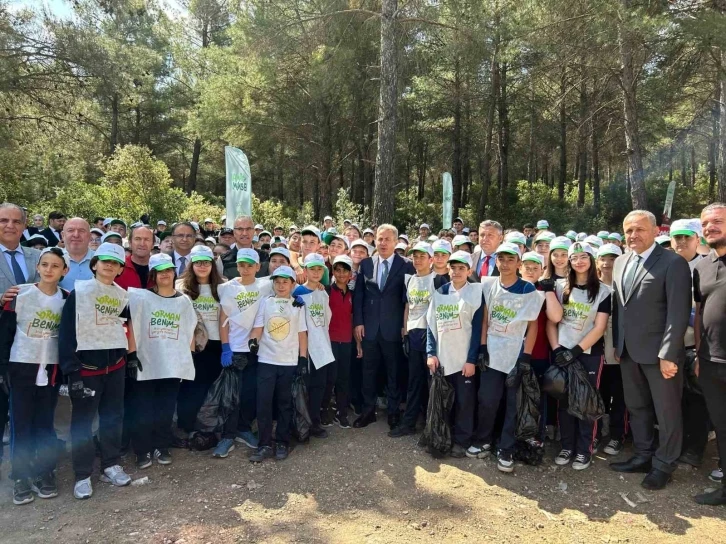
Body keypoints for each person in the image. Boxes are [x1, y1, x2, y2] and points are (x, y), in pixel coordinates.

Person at [610, 210, 691, 490]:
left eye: (640, 230)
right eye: (628, 230)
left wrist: (668, 354)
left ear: (656, 231)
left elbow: (677, 313)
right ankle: (643, 455)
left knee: (667, 412)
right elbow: (620, 308)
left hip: (660, 356)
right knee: (637, 407)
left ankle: (664, 464)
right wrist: (618, 344)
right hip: (629, 352)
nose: (633, 235)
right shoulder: (620, 262)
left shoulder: (673, 263)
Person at [58, 242, 138, 499]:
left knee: (113, 417)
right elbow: (66, 333)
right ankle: (82, 474)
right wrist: (71, 372)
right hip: (87, 369)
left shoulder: (122, 295)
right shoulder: (78, 293)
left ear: (119, 269)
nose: (109, 265)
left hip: (115, 368)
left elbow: (125, 327)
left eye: (114, 263)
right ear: (95, 264)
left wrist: (131, 357)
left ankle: (110, 464)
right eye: (104, 261)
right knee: (82, 423)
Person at [0, 247, 69, 505]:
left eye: (55, 265)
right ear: (38, 267)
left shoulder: (66, 298)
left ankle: (44, 471)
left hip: (50, 369)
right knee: (21, 424)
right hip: (21, 367)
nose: (49, 270)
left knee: (44, 423)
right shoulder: (20, 295)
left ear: (65, 271)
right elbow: (5, 333)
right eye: (45, 264)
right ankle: (21, 476)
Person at [467, 243, 543, 472]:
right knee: (487, 400)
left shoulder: (528, 289)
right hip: (491, 352)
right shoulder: (489, 285)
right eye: (502, 259)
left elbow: (533, 327)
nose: (506, 263)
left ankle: (506, 448)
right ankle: (484, 440)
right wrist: (481, 347)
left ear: (519, 263)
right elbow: (485, 319)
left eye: (511, 259)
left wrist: (525, 358)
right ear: (496, 261)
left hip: (515, 354)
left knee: (512, 404)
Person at [127, 253, 196, 469]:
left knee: (165, 408)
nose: (165, 274)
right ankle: (142, 449)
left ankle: (161, 445)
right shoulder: (141, 297)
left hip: (172, 363)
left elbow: (189, 330)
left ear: (174, 272)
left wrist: (188, 358)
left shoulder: (183, 300)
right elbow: (131, 325)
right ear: (153, 274)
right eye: (160, 271)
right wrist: (131, 355)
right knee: (143, 407)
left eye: (168, 270)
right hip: (146, 361)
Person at [547, 242, 611, 471]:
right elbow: (552, 321)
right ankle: (566, 445)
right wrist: (556, 349)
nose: (579, 261)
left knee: (586, 402)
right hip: (562, 350)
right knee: (564, 401)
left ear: (591, 261)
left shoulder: (603, 291)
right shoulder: (560, 286)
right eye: (575, 258)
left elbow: (599, 327)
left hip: (588, 353)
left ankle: (584, 450)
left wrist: (576, 351)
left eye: (584, 257)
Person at [353, 224, 415, 430]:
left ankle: (393, 411)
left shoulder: (406, 265)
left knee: (393, 373)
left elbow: (408, 299)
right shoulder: (366, 264)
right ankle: (368, 411)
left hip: (393, 328)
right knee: (367, 372)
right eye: (379, 239)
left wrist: (405, 326)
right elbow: (359, 296)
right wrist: (359, 322)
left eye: (387, 239)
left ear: (396, 242)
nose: (383, 243)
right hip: (369, 328)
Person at [215, 248, 272, 457]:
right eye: (242, 265)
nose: (246, 269)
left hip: (256, 349)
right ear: (237, 266)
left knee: (249, 393)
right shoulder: (228, 288)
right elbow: (223, 319)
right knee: (232, 396)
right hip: (235, 348)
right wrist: (225, 347)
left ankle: (244, 429)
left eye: (250, 265)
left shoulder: (265, 286)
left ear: (258, 267)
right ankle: (228, 436)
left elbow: (290, 281)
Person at [426, 251, 484, 457]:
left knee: (464, 403)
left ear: (469, 270)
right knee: (442, 402)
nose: (457, 272)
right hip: (442, 359)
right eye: (453, 267)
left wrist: (471, 360)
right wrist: (431, 353)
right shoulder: (440, 292)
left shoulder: (476, 293)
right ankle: (442, 437)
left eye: (461, 268)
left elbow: (478, 331)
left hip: (463, 361)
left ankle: (461, 440)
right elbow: (431, 325)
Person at [248, 265, 308, 462]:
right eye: (277, 281)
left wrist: (302, 358)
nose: (281, 285)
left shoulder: (298, 305)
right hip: (266, 359)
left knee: (284, 403)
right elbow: (258, 327)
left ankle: (282, 441)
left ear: (292, 284)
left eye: (285, 282)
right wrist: (252, 344)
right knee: (263, 403)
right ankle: (264, 443)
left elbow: (302, 334)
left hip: (288, 361)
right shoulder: (265, 303)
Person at [0, 203, 42, 477]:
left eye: (16, 221)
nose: (10, 226)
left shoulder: (37, 255)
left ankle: (32, 464)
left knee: (30, 406)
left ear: (25, 226)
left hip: (33, 342)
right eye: (4, 220)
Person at [692, 203, 726, 505]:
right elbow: (700, 310)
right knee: (723, 426)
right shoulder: (702, 266)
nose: (709, 227)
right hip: (711, 362)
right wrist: (699, 354)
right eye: (705, 223)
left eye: (717, 221)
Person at [667, 218, 708, 468]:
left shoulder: (705, 267)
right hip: (669, 346)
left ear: (697, 239)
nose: (681, 242)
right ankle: (677, 444)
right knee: (674, 399)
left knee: (697, 399)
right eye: (677, 237)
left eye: (687, 237)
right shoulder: (667, 265)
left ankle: (695, 449)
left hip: (696, 345)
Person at [175, 245, 224, 435]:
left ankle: (207, 426)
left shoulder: (223, 287)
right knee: (189, 387)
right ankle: (186, 426)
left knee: (209, 387)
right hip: (192, 346)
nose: (202, 266)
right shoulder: (181, 287)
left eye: (206, 262)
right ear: (191, 264)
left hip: (216, 344)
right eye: (198, 263)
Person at [390, 242, 435, 438]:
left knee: (432, 382)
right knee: (414, 381)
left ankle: (432, 423)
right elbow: (408, 307)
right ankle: (409, 422)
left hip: (432, 335)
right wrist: (405, 331)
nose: (417, 260)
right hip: (414, 335)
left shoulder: (438, 280)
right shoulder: (409, 280)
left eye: (422, 257)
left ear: (431, 260)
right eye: (415, 257)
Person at [519, 251, 563, 443]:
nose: (530, 271)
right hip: (511, 352)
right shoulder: (513, 288)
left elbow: (555, 317)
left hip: (538, 353)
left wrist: (549, 290)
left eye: (535, 268)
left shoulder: (544, 290)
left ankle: (537, 435)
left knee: (537, 397)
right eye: (527, 267)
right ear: (520, 267)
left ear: (542, 270)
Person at [294, 253, 335, 437]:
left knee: (320, 386)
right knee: (307, 387)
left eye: (320, 269)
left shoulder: (322, 291)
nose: (316, 272)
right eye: (312, 268)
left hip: (322, 345)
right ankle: (303, 422)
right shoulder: (297, 292)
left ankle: (315, 422)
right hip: (306, 348)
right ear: (305, 270)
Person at [595, 243, 628, 457]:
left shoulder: (626, 288)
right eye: (603, 259)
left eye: (613, 259)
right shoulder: (593, 288)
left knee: (620, 396)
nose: (607, 263)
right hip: (596, 353)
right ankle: (596, 433)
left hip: (618, 353)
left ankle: (617, 436)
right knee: (599, 395)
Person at [327, 255, 357, 429]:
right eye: (337, 270)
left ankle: (341, 412)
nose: (341, 274)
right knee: (330, 378)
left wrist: (357, 343)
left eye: (345, 270)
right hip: (330, 340)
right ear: (333, 272)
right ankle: (325, 410)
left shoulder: (352, 294)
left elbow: (353, 319)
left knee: (343, 378)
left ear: (350, 274)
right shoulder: (326, 291)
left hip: (346, 341)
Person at [59, 218, 94, 291]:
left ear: (89, 236)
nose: (76, 235)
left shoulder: (100, 260)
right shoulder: (53, 260)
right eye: (70, 230)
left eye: (82, 231)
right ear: (63, 235)